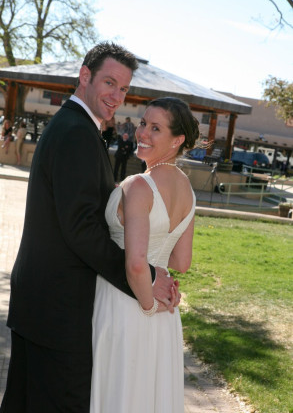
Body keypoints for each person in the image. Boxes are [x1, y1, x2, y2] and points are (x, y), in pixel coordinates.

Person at [0, 42, 177, 413]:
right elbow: (81, 229)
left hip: (41, 302)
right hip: (58, 311)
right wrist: (142, 276)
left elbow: (80, 208)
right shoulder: (77, 133)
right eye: (109, 83)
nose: (117, 96)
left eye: (124, 88)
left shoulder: (72, 126)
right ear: (85, 76)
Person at [90, 97, 199, 413]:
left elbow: (136, 263)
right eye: (142, 124)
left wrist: (148, 305)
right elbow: (181, 262)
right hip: (164, 317)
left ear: (177, 140)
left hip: (126, 305)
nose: (143, 134)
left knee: (118, 394)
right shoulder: (189, 192)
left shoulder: (139, 184)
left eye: (156, 128)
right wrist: (157, 300)